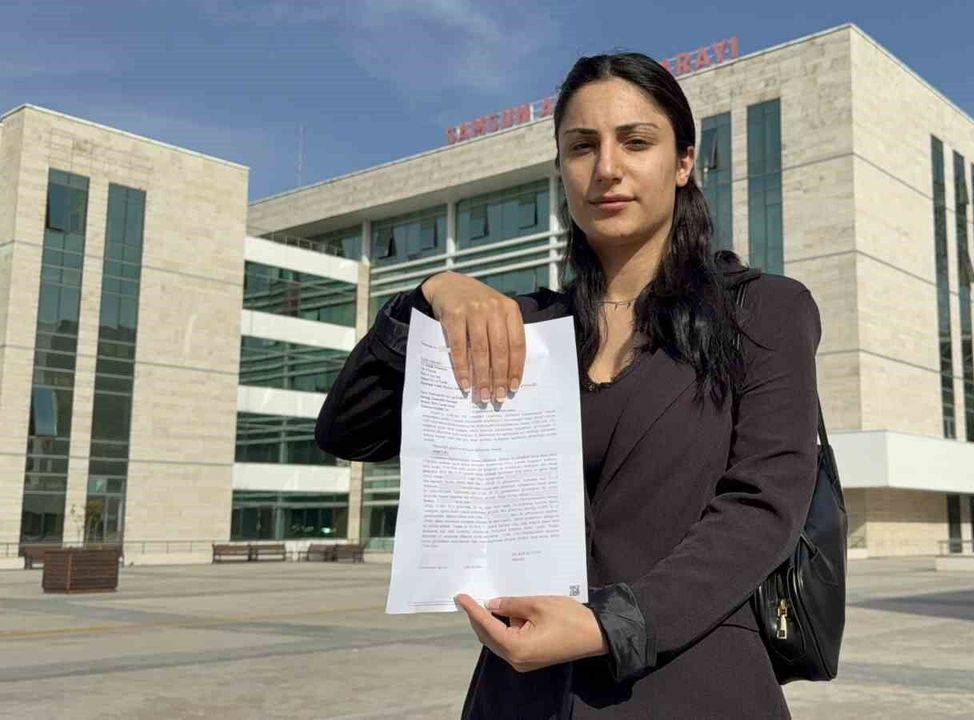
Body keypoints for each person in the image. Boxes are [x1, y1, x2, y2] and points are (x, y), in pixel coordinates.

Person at [316, 51, 821, 719]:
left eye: (635, 142)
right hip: (522, 694)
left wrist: (610, 625)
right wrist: (428, 295)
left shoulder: (763, 310)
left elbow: (765, 504)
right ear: (562, 169)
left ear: (683, 163)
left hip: (693, 681)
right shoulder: (522, 329)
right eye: (582, 147)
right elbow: (349, 431)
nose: (606, 167)